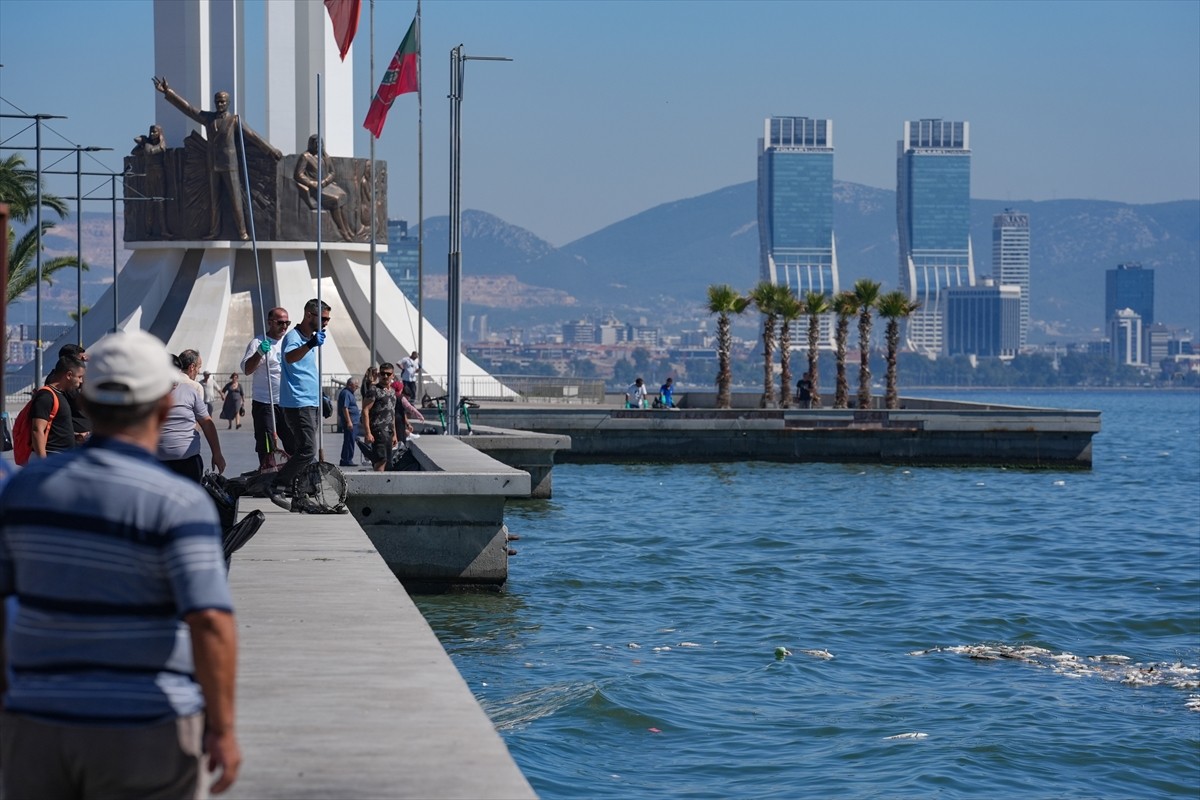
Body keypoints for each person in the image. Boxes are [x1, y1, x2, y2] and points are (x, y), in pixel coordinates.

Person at [0, 329, 241, 798]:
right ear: (163, 407)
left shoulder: (23, 492)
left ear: (88, 401)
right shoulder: (179, 503)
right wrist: (223, 728)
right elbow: (210, 620)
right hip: (144, 725)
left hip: (36, 722)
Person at [153, 76, 282, 240]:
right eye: (217, 102)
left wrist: (271, 150)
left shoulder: (234, 120)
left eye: (222, 102)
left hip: (230, 165)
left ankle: (242, 232)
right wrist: (168, 92)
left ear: (228, 103)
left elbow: (253, 136)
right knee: (214, 200)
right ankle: (214, 231)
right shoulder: (209, 118)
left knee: (236, 200)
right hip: (212, 164)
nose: (220, 104)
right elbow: (189, 109)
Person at [270, 298, 330, 512]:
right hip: (297, 403)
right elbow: (289, 358)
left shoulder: (310, 338)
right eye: (323, 318)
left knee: (306, 453)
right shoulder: (294, 337)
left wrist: (321, 396)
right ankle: (278, 485)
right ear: (308, 315)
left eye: (328, 319)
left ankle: (301, 496)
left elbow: (309, 372)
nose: (326, 323)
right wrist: (310, 344)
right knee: (307, 449)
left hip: (310, 401)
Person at [158, 350, 226, 482]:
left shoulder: (190, 391)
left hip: (189, 462)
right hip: (159, 464)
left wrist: (216, 453)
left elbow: (206, 423)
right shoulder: (149, 394)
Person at [242, 308, 296, 470]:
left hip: (287, 402)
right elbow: (247, 369)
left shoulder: (289, 342)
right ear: (270, 322)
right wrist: (259, 353)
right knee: (267, 445)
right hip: (265, 403)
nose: (284, 326)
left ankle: (293, 478)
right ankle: (267, 475)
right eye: (280, 323)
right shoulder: (258, 342)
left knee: (293, 443)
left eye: (287, 323)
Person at [293, 133, 362, 241]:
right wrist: (311, 183)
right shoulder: (306, 157)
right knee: (335, 200)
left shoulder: (325, 156)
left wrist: (325, 181)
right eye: (315, 143)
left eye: (319, 143)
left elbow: (332, 172)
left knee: (343, 196)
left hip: (326, 185)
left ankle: (347, 228)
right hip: (314, 189)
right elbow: (299, 174)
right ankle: (341, 229)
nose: (317, 145)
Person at [31, 355, 84, 458]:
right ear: (69, 375)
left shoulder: (59, 395)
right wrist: (43, 462)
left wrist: (74, 436)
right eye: (79, 377)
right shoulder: (46, 396)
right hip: (52, 457)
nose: (81, 381)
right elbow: (37, 430)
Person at [362, 363, 401, 472]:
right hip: (378, 430)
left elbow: (391, 414)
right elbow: (365, 410)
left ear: (393, 375)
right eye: (383, 373)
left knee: (388, 461)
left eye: (388, 374)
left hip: (388, 431)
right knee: (380, 459)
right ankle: (376, 486)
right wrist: (367, 432)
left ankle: (383, 485)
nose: (385, 376)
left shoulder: (393, 393)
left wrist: (394, 435)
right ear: (379, 374)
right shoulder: (374, 390)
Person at [58, 343, 93, 444]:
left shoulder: (75, 380)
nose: (82, 363)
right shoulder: (64, 381)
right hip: (74, 438)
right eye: (80, 360)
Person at [338, 377, 361, 467]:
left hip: (354, 421)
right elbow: (345, 408)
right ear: (350, 385)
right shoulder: (346, 393)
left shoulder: (350, 393)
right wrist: (349, 421)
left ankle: (346, 458)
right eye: (356, 386)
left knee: (350, 440)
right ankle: (347, 459)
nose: (356, 388)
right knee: (349, 440)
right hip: (351, 421)